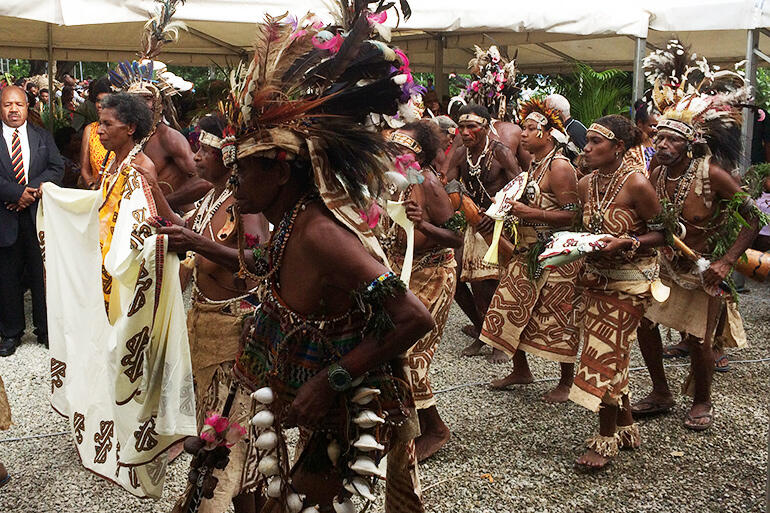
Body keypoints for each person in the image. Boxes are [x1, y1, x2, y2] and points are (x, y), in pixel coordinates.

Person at [160, 7, 433, 512]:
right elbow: (268, 264)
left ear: (282, 173)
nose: (234, 183)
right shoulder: (290, 222)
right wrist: (194, 241)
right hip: (288, 396)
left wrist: (332, 382)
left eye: (245, 171)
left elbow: (413, 317)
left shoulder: (322, 233)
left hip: (338, 412)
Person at [138, 114, 269, 512]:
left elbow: (258, 262)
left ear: (227, 158)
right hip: (206, 327)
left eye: (203, 151)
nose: (194, 158)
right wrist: (149, 185)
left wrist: (198, 243)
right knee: (220, 432)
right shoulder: (213, 198)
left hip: (234, 332)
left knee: (232, 438)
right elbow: (180, 228)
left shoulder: (244, 206)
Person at [630, 51, 757, 431]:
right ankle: (660, 391)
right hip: (664, 264)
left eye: (672, 139)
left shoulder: (713, 174)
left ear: (689, 143)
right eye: (659, 137)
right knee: (645, 326)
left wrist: (727, 261)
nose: (663, 145)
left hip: (704, 269)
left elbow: (756, 216)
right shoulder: (655, 170)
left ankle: (702, 401)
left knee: (698, 338)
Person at [568, 115, 664, 470]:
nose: (587, 147)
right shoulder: (586, 183)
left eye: (595, 142)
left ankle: (604, 439)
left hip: (631, 280)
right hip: (595, 278)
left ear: (619, 148)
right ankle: (625, 425)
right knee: (617, 353)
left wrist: (631, 240)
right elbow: (585, 228)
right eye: (587, 141)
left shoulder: (637, 183)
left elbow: (664, 233)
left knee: (604, 354)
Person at [479, 99, 581, 401]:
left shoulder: (560, 167)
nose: (523, 133)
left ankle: (566, 381)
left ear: (548, 134)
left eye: (530, 128)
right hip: (526, 252)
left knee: (558, 318)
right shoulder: (534, 167)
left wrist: (532, 214)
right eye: (523, 128)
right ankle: (521, 370)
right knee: (509, 309)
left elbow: (574, 215)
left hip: (556, 256)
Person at [384, 121, 463, 461]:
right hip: (398, 272)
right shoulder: (391, 182)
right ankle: (400, 426)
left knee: (410, 354)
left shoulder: (427, 182)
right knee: (388, 351)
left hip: (434, 273)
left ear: (418, 156)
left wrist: (423, 223)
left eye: (402, 150)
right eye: (392, 148)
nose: (393, 154)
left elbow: (457, 236)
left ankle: (435, 429)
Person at [444, 103, 522, 363]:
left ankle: (497, 339)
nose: (465, 132)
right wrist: (461, 205)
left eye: (471, 127)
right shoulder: (459, 154)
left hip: (498, 225)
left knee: (486, 284)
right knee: (454, 278)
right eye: (461, 127)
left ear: (486, 127)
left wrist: (497, 213)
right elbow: (449, 186)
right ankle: (481, 328)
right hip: (473, 222)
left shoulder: (501, 152)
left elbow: (519, 186)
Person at [0, 85, 64, 356]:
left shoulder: (42, 136)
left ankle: (45, 330)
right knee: (7, 277)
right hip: (5, 217)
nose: (13, 109)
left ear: (28, 107)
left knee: (41, 275)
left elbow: (57, 168)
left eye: (19, 104)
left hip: (37, 217)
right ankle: (11, 333)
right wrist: (16, 193)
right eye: (7, 104)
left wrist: (30, 192)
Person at [79, 77, 114, 189]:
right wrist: (91, 184)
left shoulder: (123, 129)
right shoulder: (90, 130)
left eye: (105, 101)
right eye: (98, 101)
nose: (99, 105)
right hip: (96, 194)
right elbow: (84, 169)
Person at [633, 99, 658, 172]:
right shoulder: (632, 148)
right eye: (652, 126)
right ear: (640, 123)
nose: (655, 130)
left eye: (657, 126)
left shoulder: (657, 144)